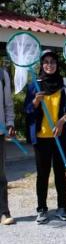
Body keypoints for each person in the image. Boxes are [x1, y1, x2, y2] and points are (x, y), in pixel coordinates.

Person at [24, 49, 66, 224]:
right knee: (42, 174)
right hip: (41, 138)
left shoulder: (65, 83)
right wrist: (35, 102)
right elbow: (27, 111)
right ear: (42, 65)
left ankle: (62, 206)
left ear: (57, 64)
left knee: (60, 172)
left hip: (60, 137)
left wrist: (63, 120)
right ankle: (41, 209)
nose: (50, 65)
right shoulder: (35, 85)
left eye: (53, 62)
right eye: (46, 62)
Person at [0, 66, 16, 225]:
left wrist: (10, 123)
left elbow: (8, 104)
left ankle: (3, 212)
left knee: (0, 175)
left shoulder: (2, 74)